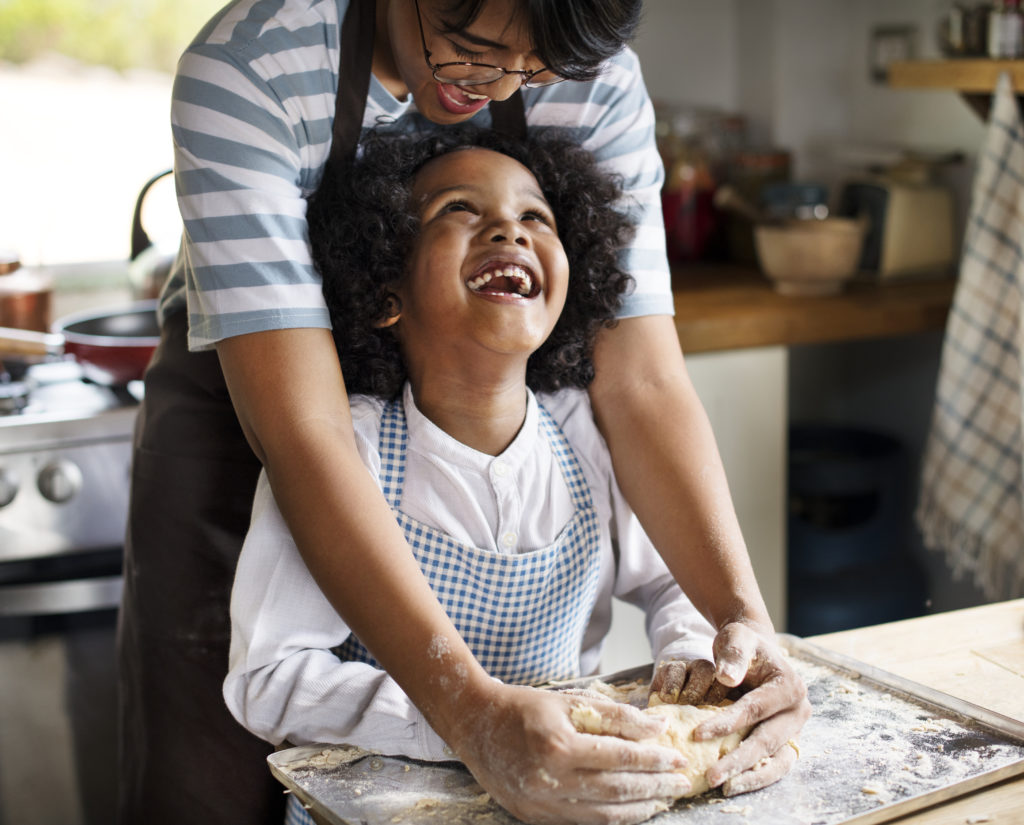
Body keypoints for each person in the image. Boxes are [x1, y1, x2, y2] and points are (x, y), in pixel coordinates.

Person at [118, 2, 810, 824]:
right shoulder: (252, 68)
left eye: (535, 70)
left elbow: (642, 384)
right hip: (257, 399)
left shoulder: (568, 441)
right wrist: (467, 713)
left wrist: (742, 625)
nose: (500, 86)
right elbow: (306, 431)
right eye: (471, 51)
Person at [228, 125, 722, 824]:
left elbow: (677, 580)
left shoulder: (589, 435)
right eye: (460, 209)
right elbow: (270, 679)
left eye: (535, 217)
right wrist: (461, 724)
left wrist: (690, 661)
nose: (508, 231)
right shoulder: (346, 450)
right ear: (383, 289)